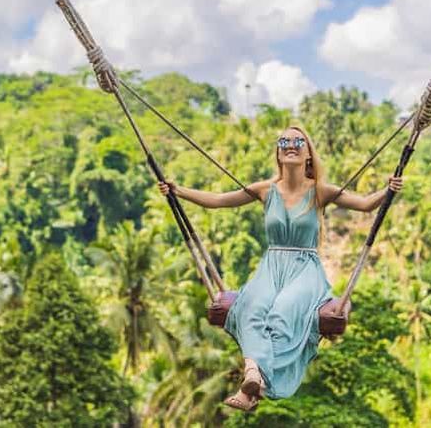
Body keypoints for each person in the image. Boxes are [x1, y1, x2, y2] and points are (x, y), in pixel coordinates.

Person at [157, 126, 403, 411]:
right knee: (249, 306)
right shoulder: (265, 190)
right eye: (284, 140)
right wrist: (177, 192)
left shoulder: (320, 191)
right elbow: (218, 201)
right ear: (277, 151)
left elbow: (364, 205)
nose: (291, 144)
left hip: (304, 270)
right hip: (272, 267)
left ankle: (254, 379)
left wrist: (388, 190)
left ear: (308, 153)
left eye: (298, 141)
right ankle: (253, 374)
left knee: (284, 310)